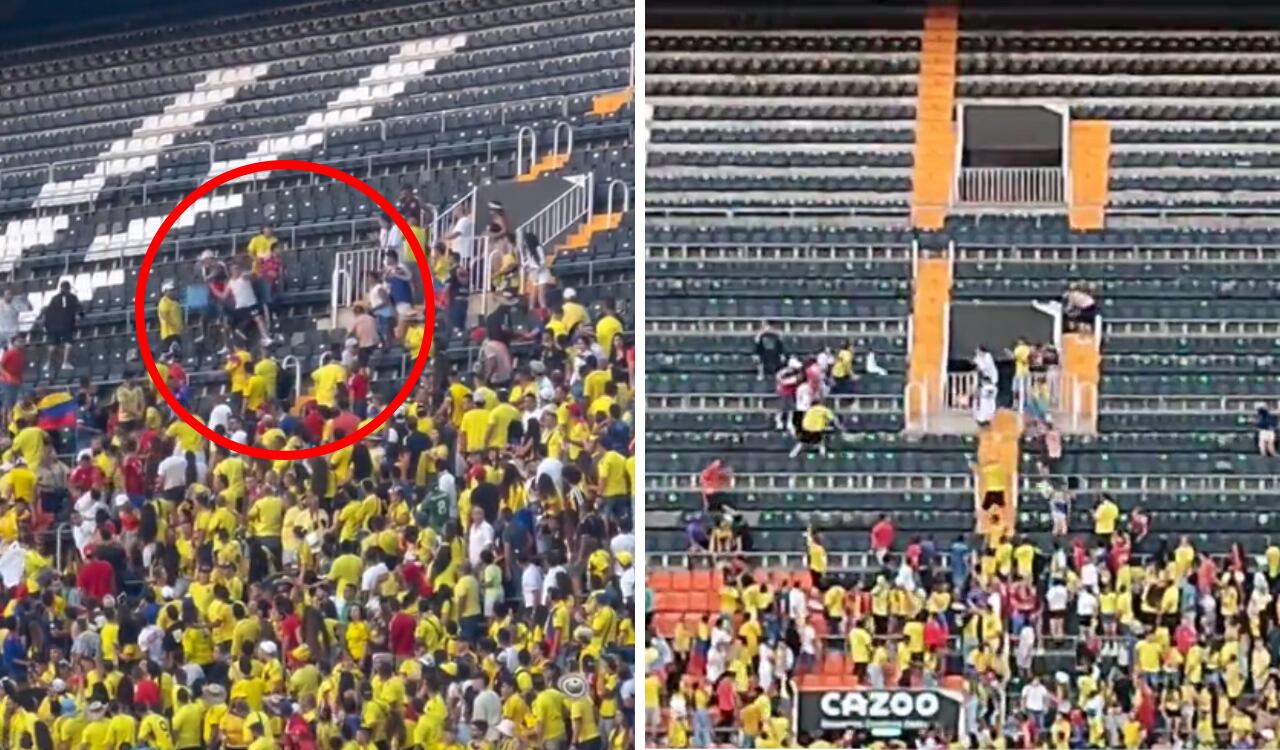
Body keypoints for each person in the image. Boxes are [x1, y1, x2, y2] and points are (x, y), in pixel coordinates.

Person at [40, 279, 82, 371]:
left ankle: (48, 364)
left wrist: (46, 325)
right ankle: (65, 363)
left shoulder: (54, 298)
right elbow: (79, 310)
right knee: (68, 343)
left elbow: (47, 311)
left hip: (54, 325)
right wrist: (78, 318)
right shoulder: (73, 297)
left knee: (52, 345)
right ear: (69, 288)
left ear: (60, 288)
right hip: (67, 324)